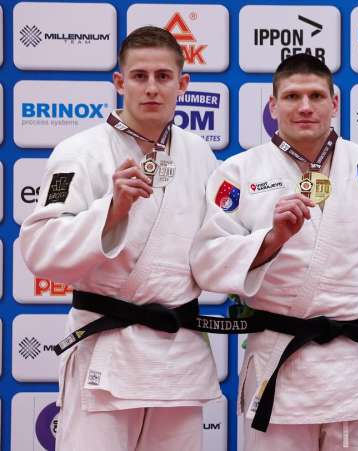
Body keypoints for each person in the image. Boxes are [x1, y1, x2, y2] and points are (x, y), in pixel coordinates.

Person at [19, 26, 221, 451]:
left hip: (177, 358)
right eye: (139, 76)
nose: (151, 88)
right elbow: (39, 247)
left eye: (163, 76)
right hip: (107, 351)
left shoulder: (200, 154)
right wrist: (112, 210)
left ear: (182, 84)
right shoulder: (79, 152)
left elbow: (216, 245)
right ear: (119, 82)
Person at [189, 53, 358, 450]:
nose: (305, 107)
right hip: (279, 362)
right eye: (291, 97)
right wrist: (273, 239)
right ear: (273, 106)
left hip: (354, 366)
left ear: (334, 103)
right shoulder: (238, 172)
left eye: (316, 96)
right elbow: (209, 264)